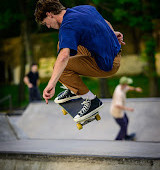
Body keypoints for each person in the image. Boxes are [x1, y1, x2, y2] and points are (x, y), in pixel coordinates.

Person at [34, 0, 125, 122]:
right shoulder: (84, 9)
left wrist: (51, 84)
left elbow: (64, 57)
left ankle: (92, 101)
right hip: (111, 52)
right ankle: (72, 87)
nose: (48, 26)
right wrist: (111, 35)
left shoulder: (68, 26)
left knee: (61, 65)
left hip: (107, 64)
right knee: (62, 43)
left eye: (46, 23)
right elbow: (104, 22)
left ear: (50, 14)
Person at [110, 76, 142, 140]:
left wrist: (136, 89)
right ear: (124, 84)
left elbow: (128, 88)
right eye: (127, 84)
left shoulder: (120, 86)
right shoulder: (119, 93)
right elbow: (117, 105)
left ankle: (125, 136)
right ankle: (117, 140)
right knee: (123, 126)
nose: (127, 85)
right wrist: (128, 109)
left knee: (126, 120)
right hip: (117, 112)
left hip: (120, 111)